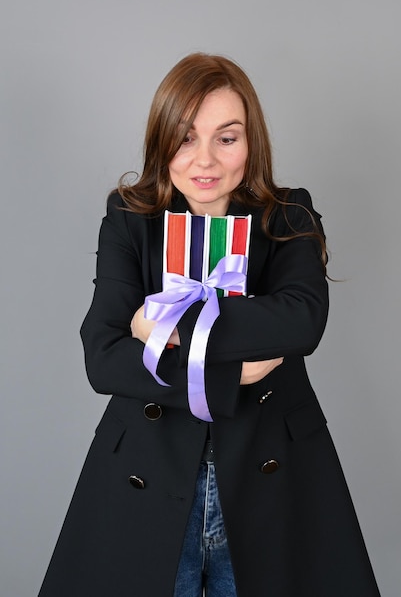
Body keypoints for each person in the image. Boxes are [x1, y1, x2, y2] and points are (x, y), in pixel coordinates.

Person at [38, 53, 380, 597]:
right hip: (147, 477)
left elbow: (301, 322)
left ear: (253, 142)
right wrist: (229, 374)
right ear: (160, 142)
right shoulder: (130, 219)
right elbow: (103, 359)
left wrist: (162, 321)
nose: (205, 160)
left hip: (274, 480)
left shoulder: (289, 214)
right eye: (185, 136)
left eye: (227, 137)